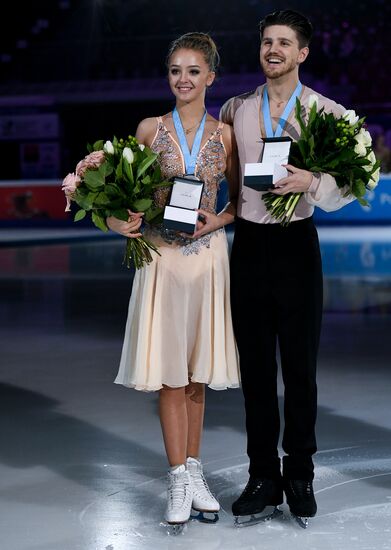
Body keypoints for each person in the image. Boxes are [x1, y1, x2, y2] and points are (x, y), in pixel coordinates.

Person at [220, 9, 354, 526]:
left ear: (303, 53)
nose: (273, 50)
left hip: (297, 246)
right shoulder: (237, 109)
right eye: (266, 42)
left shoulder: (325, 111)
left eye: (284, 43)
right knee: (255, 372)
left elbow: (354, 178)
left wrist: (314, 183)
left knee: (300, 371)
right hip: (249, 247)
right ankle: (262, 476)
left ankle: (299, 473)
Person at [107, 32, 240, 528]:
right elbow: (122, 196)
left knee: (197, 374)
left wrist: (219, 221)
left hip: (206, 260)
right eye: (175, 71)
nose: (182, 80)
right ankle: (177, 477)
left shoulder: (224, 134)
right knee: (170, 374)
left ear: (211, 77)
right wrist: (118, 220)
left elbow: (242, 201)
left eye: (192, 71)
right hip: (162, 259)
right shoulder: (148, 128)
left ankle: (195, 469)